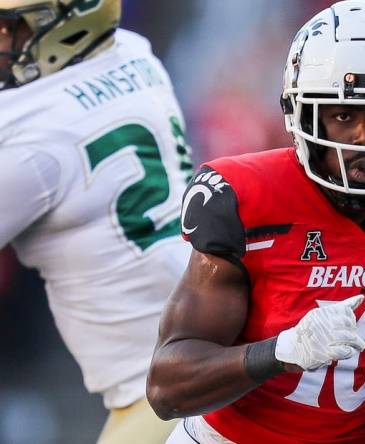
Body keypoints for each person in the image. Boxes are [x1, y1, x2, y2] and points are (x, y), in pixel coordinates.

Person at [146, 1, 365, 443]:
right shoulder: (246, 198)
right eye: (343, 116)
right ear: (304, 116)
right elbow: (166, 387)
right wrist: (280, 352)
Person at [0, 0, 193, 442]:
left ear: (65, 28)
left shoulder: (36, 140)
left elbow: (40, 133)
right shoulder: (134, 54)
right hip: (206, 351)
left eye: (9, 27)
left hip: (166, 392)